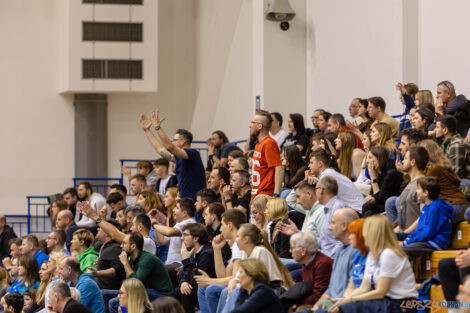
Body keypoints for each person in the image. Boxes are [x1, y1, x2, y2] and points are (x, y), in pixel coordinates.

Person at [325, 215, 418, 313]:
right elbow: (364, 288)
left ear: (373, 233)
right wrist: (343, 299)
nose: (362, 235)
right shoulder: (373, 255)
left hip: (402, 304)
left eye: (365, 231)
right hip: (385, 302)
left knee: (347, 309)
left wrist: (350, 300)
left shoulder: (389, 254)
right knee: (337, 307)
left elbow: (380, 292)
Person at [219, 223, 294, 313]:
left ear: (246, 239)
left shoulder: (261, 251)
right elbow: (238, 277)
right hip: (253, 287)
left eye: (238, 236)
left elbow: (257, 280)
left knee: (236, 290)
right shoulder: (244, 252)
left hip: (270, 288)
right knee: (216, 290)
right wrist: (233, 281)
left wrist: (235, 285)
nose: (236, 240)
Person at [141, 111, 206, 200]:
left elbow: (169, 147)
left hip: (195, 201)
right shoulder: (178, 157)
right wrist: (147, 131)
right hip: (185, 200)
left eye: (175, 140)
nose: (172, 142)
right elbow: (160, 150)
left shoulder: (193, 153)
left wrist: (157, 127)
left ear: (183, 142)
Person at [305, 208, 359, 312]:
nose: (330, 227)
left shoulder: (356, 251)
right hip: (330, 306)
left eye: (333, 223)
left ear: (344, 226)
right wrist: (315, 308)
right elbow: (331, 289)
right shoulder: (339, 250)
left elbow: (353, 291)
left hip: (342, 307)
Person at [195, 209, 246, 313]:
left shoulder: (239, 244)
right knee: (203, 288)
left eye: (222, 225)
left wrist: (209, 281)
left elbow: (233, 279)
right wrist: (217, 250)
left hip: (245, 286)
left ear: (230, 226)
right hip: (238, 285)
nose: (221, 229)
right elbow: (223, 276)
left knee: (211, 289)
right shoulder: (235, 245)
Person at [399, 177, 453, 259]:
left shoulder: (435, 208)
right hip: (426, 241)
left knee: (400, 251)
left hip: (435, 243)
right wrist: (407, 240)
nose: (416, 191)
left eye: (419, 189)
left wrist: (405, 243)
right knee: (394, 242)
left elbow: (427, 234)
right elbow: (419, 231)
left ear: (426, 193)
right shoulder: (426, 207)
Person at [174, 223, 216, 313]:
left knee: (186, 293)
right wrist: (184, 282)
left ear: (196, 238)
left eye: (185, 235)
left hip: (210, 293)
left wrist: (186, 261)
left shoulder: (207, 253)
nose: (182, 238)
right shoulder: (194, 253)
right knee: (178, 291)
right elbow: (187, 276)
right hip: (200, 291)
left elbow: (195, 282)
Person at [385, 147, 427, 232]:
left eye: (405, 158)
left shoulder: (423, 184)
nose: (402, 161)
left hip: (412, 237)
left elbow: (424, 216)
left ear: (413, 162)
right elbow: (402, 223)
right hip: (403, 235)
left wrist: (405, 233)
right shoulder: (410, 183)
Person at [152, 198, 197, 273]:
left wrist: (154, 224)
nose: (173, 210)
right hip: (172, 263)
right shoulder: (179, 224)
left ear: (184, 213)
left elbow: (169, 232)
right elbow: (162, 241)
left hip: (179, 263)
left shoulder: (189, 223)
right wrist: (156, 221)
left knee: (153, 270)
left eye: (177, 208)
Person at [289, 232, 333, 306]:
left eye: (292, 248)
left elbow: (319, 296)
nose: (290, 251)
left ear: (303, 250)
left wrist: (296, 304)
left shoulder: (323, 264)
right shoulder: (306, 261)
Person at [250, 109, 283, 199]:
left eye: (252, 123)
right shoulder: (259, 144)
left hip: (265, 195)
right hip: (256, 194)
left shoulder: (269, 143)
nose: (250, 125)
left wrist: (276, 194)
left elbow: (279, 168)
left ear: (260, 126)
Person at [362, 146, 403, 217]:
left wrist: (373, 177)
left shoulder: (391, 173)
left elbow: (381, 199)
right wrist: (372, 198)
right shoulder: (378, 171)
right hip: (383, 203)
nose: (367, 161)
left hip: (391, 205)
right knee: (366, 207)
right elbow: (374, 195)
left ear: (379, 159)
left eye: (370, 158)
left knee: (367, 208)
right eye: (367, 158)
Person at [89, 219, 125, 291]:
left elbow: (117, 270)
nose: (98, 229)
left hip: (108, 291)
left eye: (100, 228)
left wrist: (97, 273)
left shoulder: (116, 248)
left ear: (108, 232)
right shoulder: (104, 246)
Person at [435, 114, 470, 180]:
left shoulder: (457, 145)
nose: (435, 130)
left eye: (437, 127)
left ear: (445, 130)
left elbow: (453, 173)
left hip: (466, 181)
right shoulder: (446, 143)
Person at [342, 218, 368, 297]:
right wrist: (344, 298)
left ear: (360, 235)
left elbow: (365, 289)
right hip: (352, 298)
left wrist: (345, 301)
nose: (349, 237)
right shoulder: (357, 255)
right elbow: (351, 286)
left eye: (352, 234)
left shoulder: (372, 257)